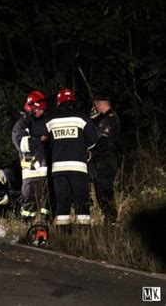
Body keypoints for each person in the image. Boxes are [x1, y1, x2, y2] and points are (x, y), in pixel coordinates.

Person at [44, 89, 97, 230]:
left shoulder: (51, 119)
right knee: (82, 200)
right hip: (78, 167)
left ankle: (63, 232)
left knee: (62, 200)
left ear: (59, 102)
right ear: (73, 101)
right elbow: (93, 138)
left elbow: (42, 137)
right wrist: (83, 146)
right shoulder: (81, 118)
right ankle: (84, 232)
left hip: (58, 168)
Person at [12, 91, 51, 223]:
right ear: (31, 108)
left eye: (42, 110)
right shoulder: (21, 125)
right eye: (38, 109)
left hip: (46, 171)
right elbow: (22, 144)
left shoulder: (46, 121)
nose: (41, 112)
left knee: (48, 202)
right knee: (29, 202)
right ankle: (26, 226)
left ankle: (47, 225)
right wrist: (40, 139)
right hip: (31, 172)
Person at [89, 95, 121, 224]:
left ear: (101, 103)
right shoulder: (104, 118)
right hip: (101, 161)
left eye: (96, 104)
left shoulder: (110, 118)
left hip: (106, 161)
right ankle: (109, 220)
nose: (95, 107)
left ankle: (111, 221)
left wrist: (91, 148)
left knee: (105, 192)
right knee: (100, 193)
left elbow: (103, 142)